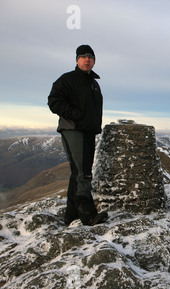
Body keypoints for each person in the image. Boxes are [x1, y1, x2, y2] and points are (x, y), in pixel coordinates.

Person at [48, 44, 107, 226]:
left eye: (90, 57)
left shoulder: (93, 83)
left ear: (94, 61)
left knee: (77, 172)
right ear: (77, 60)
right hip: (74, 129)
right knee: (83, 173)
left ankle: (71, 214)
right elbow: (54, 101)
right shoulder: (67, 79)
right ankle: (88, 215)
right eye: (83, 56)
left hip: (88, 131)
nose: (87, 59)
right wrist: (76, 115)